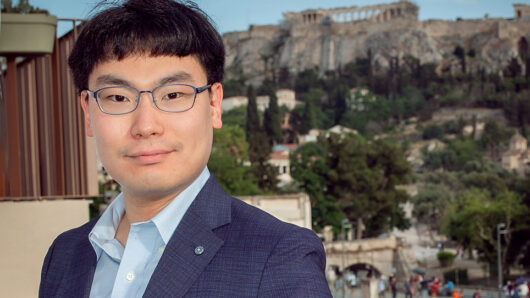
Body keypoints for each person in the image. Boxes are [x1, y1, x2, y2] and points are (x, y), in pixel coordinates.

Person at [38, 0, 331, 297]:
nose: (146, 125)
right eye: (117, 98)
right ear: (88, 113)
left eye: (173, 94)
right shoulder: (64, 256)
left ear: (214, 105)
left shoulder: (279, 257)